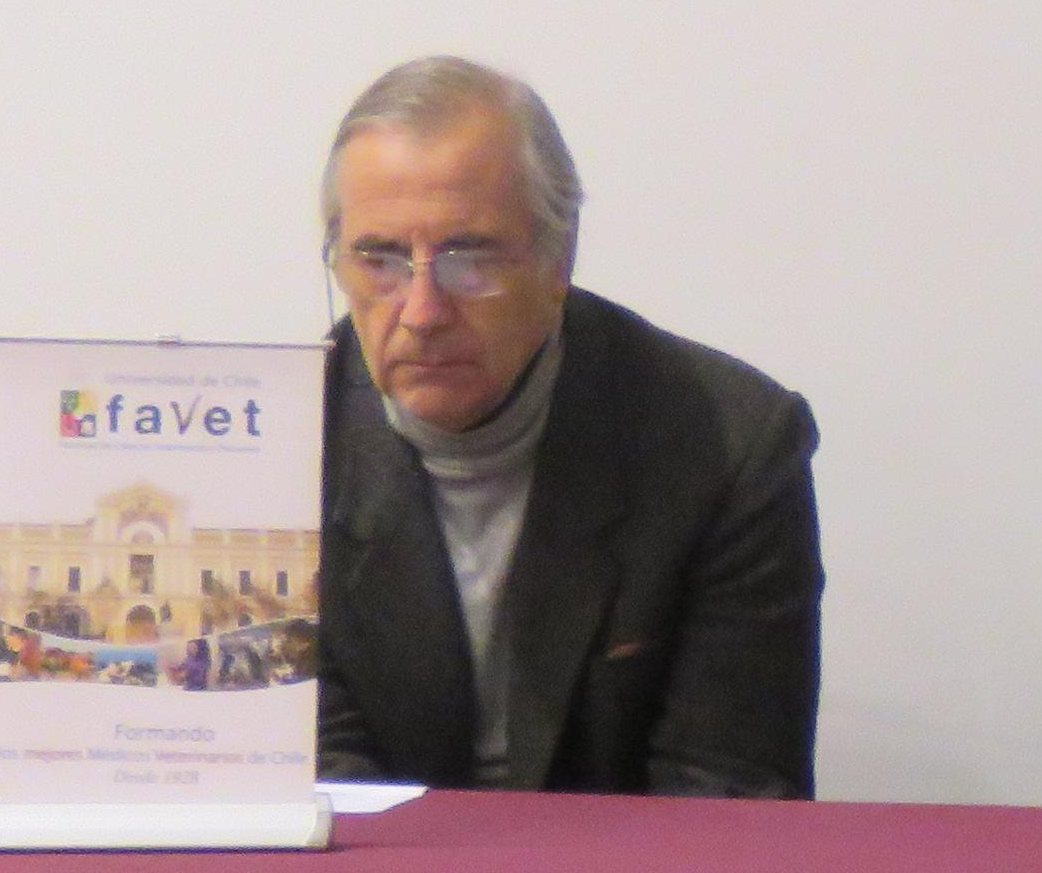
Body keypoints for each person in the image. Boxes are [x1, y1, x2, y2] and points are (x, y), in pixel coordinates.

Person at [318, 57, 823, 795]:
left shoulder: (728, 445)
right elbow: (302, 777)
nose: (422, 311)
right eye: (381, 260)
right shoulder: (272, 448)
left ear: (560, 257)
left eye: (469, 256)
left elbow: (726, 796)